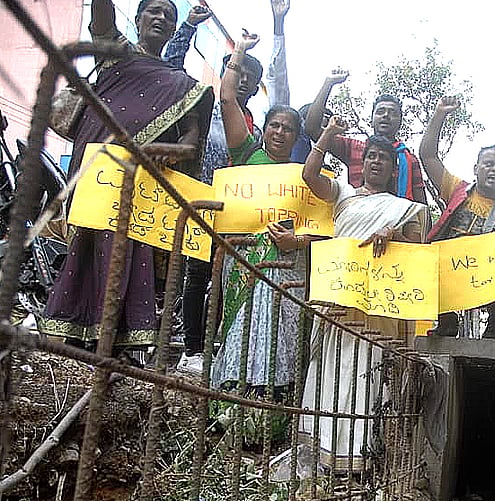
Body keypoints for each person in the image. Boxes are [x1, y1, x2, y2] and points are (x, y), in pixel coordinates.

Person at [40, 0, 213, 352]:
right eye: (154, 11)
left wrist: (174, 151)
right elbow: (100, 16)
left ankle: (117, 348)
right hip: (97, 177)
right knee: (88, 249)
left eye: (169, 14)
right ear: (136, 19)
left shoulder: (182, 84)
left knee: (133, 258)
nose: (162, 17)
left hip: (143, 185)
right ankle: (72, 338)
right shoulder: (115, 53)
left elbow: (192, 141)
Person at [300, 115, 428, 470]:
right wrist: (326, 134)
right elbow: (310, 176)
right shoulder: (342, 193)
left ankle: (360, 457)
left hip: (377, 310)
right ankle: (324, 451)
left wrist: (393, 233)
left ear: (391, 170)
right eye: (370, 155)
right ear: (363, 162)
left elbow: (416, 249)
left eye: (382, 159)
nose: (375, 161)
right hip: (339, 302)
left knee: (366, 377)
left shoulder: (403, 210)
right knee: (332, 373)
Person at [163, 3, 273, 375]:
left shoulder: (255, 130)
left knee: (226, 281)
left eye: (249, 75)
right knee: (195, 275)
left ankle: (218, 349)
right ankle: (192, 350)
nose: (241, 78)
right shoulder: (206, 103)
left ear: (256, 87)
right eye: (236, 70)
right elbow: (172, 67)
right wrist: (187, 28)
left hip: (235, 215)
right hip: (199, 201)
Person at [209, 32, 305, 392]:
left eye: (288, 129)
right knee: (239, 325)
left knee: (279, 330)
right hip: (242, 255)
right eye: (274, 126)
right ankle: (231, 399)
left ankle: (271, 407)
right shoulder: (247, 153)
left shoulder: (303, 177)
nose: (280, 132)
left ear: (296, 138)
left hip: (283, 265)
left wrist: (296, 241)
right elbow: (227, 97)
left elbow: (316, 225)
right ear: (264, 130)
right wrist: (240, 52)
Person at [420, 96, 495, 339]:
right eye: (488, 163)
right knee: (425, 262)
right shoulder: (457, 189)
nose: (493, 169)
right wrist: (439, 115)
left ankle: (494, 329)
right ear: (476, 168)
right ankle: (446, 322)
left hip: (486, 280)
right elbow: (428, 156)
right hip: (451, 271)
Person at [305, 72, 427, 204]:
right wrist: (328, 84)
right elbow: (312, 129)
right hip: (358, 217)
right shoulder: (353, 147)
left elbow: (421, 205)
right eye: (380, 112)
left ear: (400, 121)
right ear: (371, 119)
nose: (386, 116)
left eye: (393, 113)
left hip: (396, 222)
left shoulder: (409, 159)